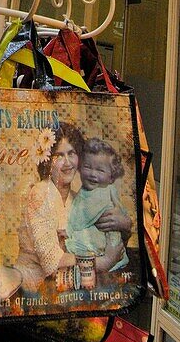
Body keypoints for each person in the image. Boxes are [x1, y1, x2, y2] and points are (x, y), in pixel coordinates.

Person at [15, 124, 131, 292]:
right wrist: (105, 262)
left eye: (72, 153)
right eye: (59, 156)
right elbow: (51, 263)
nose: (67, 162)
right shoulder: (40, 194)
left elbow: (104, 239)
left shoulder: (77, 199)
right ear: (48, 160)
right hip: (34, 288)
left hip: (68, 286)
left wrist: (124, 224)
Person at [65, 137, 130, 274]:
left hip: (103, 249)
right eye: (87, 167)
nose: (93, 174)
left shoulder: (101, 193)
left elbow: (78, 221)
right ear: (80, 169)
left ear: (111, 177)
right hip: (102, 251)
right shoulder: (89, 191)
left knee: (72, 243)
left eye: (100, 170)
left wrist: (69, 232)